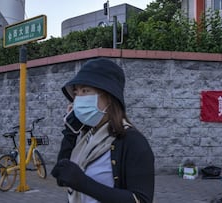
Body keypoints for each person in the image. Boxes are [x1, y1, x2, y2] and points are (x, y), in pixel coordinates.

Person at [51, 58, 155, 203]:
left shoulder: (133, 141)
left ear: (109, 97)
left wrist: (84, 183)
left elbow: (141, 200)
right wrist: (70, 131)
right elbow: (63, 176)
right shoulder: (89, 136)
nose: (78, 99)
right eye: (76, 93)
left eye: (85, 90)